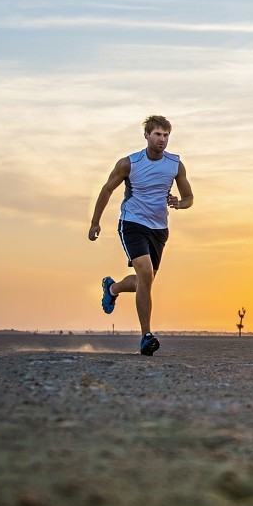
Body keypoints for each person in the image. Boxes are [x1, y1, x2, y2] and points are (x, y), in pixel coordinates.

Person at [88, 115, 194, 355]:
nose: (162, 139)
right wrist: (95, 222)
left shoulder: (175, 164)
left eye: (166, 135)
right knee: (145, 274)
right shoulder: (129, 163)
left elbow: (189, 198)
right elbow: (107, 190)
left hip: (159, 229)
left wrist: (180, 203)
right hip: (132, 223)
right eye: (157, 134)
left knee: (145, 282)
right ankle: (146, 336)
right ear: (146, 135)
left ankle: (112, 288)